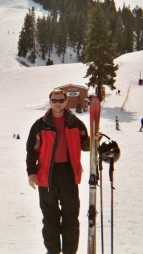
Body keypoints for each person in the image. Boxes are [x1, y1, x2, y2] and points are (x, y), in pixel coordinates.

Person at [26, 89, 93, 254]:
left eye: (61, 100)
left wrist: (94, 140)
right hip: (46, 175)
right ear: (50, 102)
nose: (58, 103)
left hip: (68, 174)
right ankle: (53, 251)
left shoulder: (74, 122)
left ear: (65, 102)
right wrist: (31, 173)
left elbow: (86, 144)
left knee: (71, 218)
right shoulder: (40, 124)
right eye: (54, 100)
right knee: (50, 220)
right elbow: (31, 150)